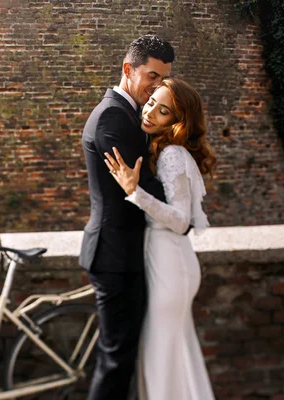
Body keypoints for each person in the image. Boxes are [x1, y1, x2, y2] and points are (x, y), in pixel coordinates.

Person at [104, 77, 216, 399]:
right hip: (169, 261)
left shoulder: (172, 155)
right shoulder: (163, 149)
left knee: (159, 358)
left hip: (170, 264)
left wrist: (133, 192)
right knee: (173, 355)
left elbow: (181, 221)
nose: (150, 112)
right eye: (152, 102)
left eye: (163, 111)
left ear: (178, 122)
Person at [79, 35, 174, 400]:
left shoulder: (125, 114)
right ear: (127, 69)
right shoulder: (112, 119)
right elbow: (145, 187)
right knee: (116, 359)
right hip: (115, 254)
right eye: (152, 75)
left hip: (122, 251)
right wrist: (182, 189)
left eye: (162, 78)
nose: (157, 85)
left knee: (121, 355)